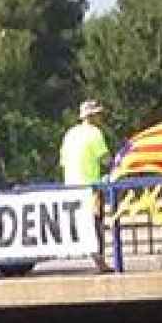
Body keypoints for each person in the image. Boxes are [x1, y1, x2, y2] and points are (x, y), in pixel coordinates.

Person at [60, 99, 111, 272]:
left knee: (83, 225)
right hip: (90, 188)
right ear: (93, 116)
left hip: (71, 188)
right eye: (98, 114)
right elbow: (105, 159)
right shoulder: (95, 133)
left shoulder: (69, 134)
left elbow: (63, 162)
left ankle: (95, 258)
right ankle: (100, 261)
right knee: (96, 224)